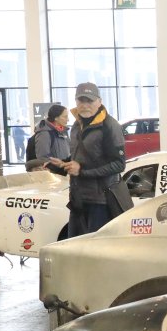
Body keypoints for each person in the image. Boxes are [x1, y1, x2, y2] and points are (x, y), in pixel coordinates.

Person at [53, 81, 125, 238]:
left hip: (101, 201)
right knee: (74, 246)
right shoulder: (76, 125)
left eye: (90, 101)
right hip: (78, 198)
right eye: (81, 100)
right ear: (76, 101)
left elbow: (119, 164)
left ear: (99, 102)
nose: (85, 105)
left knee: (95, 248)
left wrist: (82, 171)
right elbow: (80, 157)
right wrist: (62, 164)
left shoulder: (110, 126)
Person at [26, 104, 71, 171]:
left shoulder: (64, 131)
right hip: (53, 173)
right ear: (56, 118)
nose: (68, 119)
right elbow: (43, 158)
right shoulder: (44, 134)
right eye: (65, 117)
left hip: (63, 171)